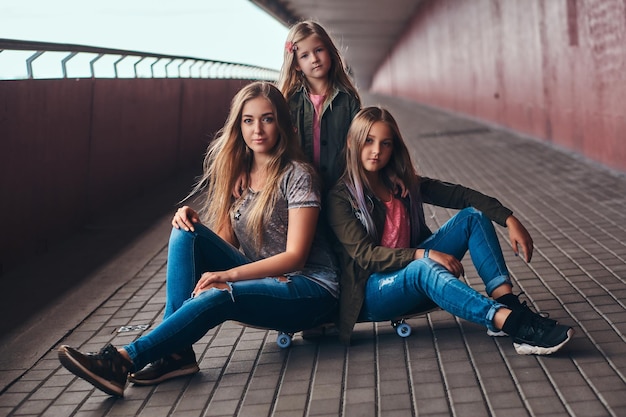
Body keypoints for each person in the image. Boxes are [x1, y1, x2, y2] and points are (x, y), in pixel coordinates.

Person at [57, 82, 340, 397]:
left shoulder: (298, 175)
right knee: (185, 229)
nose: (257, 129)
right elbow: (224, 246)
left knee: (220, 293)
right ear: (238, 125)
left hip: (310, 290)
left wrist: (227, 276)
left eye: (267, 118)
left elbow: (296, 257)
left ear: (283, 124)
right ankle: (176, 354)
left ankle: (123, 361)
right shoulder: (239, 176)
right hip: (268, 279)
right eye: (248, 120)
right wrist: (192, 219)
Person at [326, 106, 574, 355]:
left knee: (474, 217)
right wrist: (423, 255)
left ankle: (507, 303)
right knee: (422, 266)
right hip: (374, 292)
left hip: (418, 273)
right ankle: (514, 324)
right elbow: (367, 256)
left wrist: (509, 219)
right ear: (351, 142)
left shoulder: (399, 184)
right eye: (368, 141)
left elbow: (462, 195)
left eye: (386, 143)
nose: (377, 151)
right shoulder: (341, 198)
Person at [276, 19, 361, 193]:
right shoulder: (288, 101)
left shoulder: (348, 100)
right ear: (297, 65)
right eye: (305, 55)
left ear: (330, 52)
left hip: (340, 187)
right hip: (299, 188)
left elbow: (363, 141)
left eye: (319, 50)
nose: (314, 59)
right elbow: (271, 142)